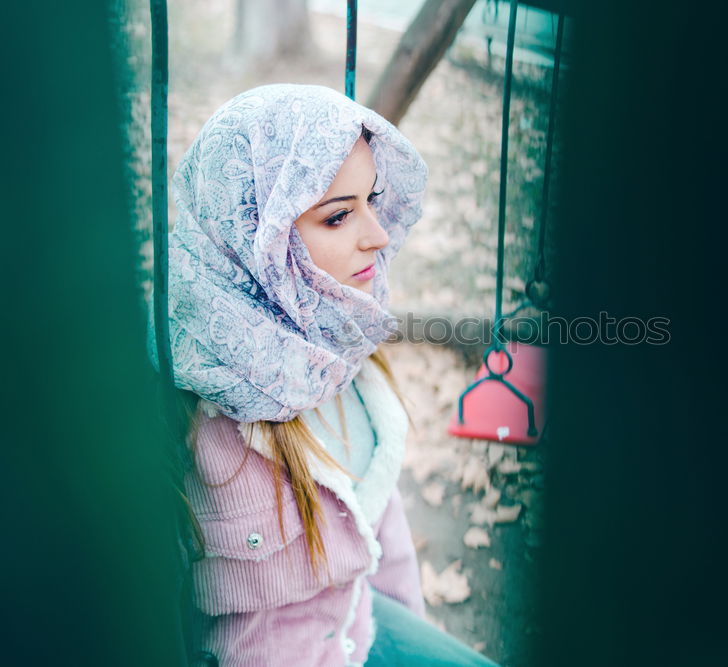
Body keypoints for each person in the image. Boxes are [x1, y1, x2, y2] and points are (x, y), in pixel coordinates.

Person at [156, 83, 498, 666]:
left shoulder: (346, 347)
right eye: (339, 216)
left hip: (361, 632)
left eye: (372, 199)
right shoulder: (184, 408)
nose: (378, 235)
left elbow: (383, 541)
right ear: (254, 239)